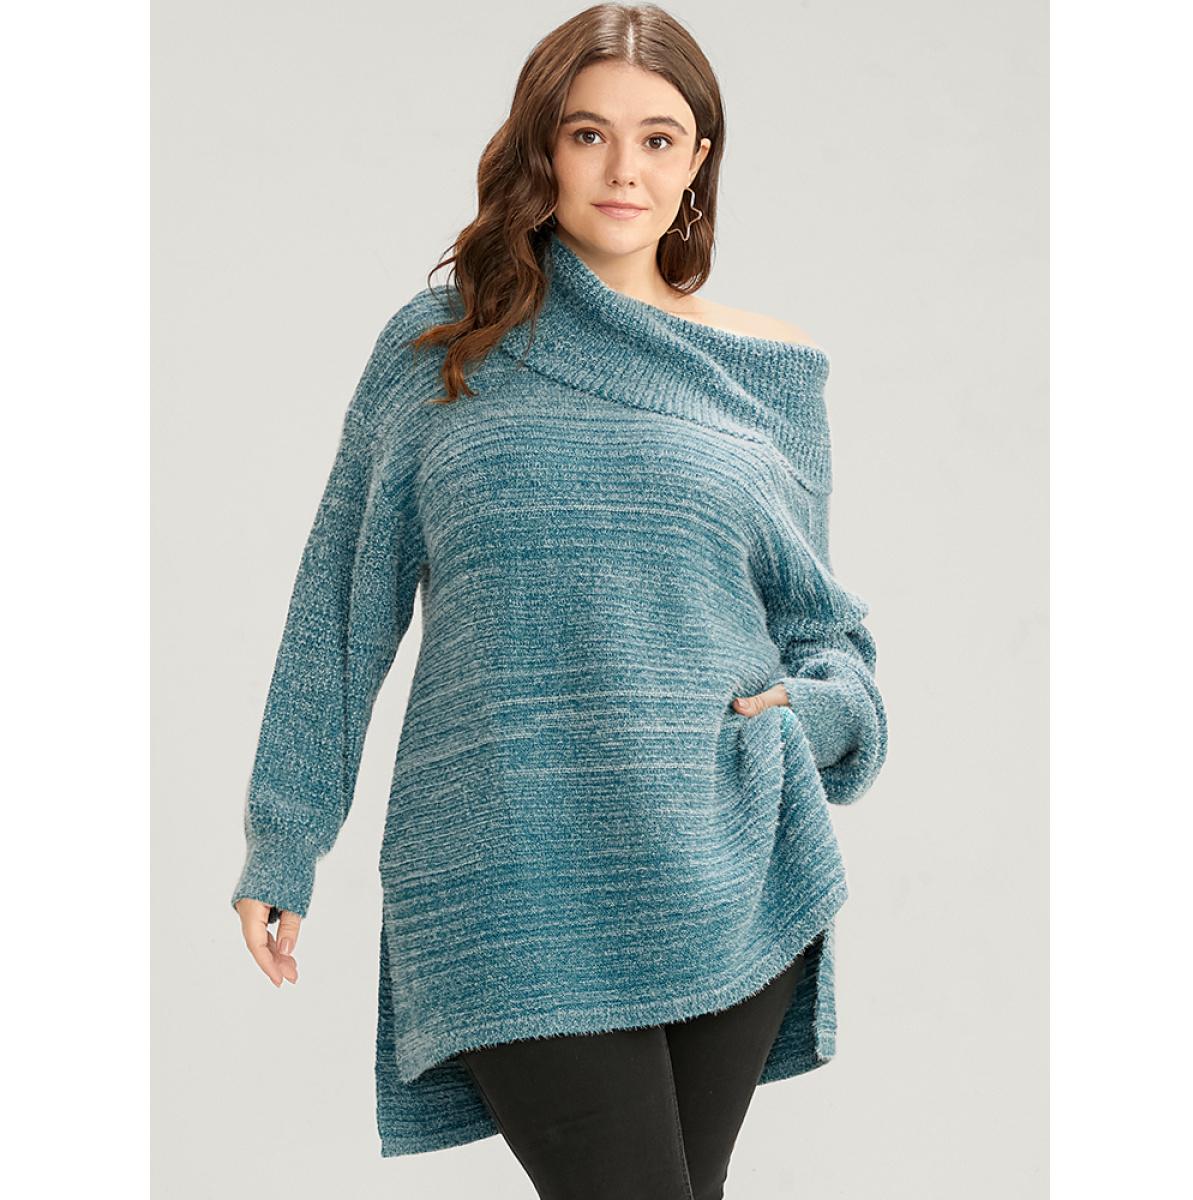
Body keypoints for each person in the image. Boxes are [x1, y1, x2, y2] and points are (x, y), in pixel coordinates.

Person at [232, 5, 888, 1197]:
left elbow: (822, 632)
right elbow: (341, 599)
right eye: (589, 134)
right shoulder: (443, 345)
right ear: (542, 148)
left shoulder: (770, 372)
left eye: (657, 138)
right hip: (507, 865)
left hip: (718, 859)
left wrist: (812, 711)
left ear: (698, 161)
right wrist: (287, 833)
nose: (623, 169)